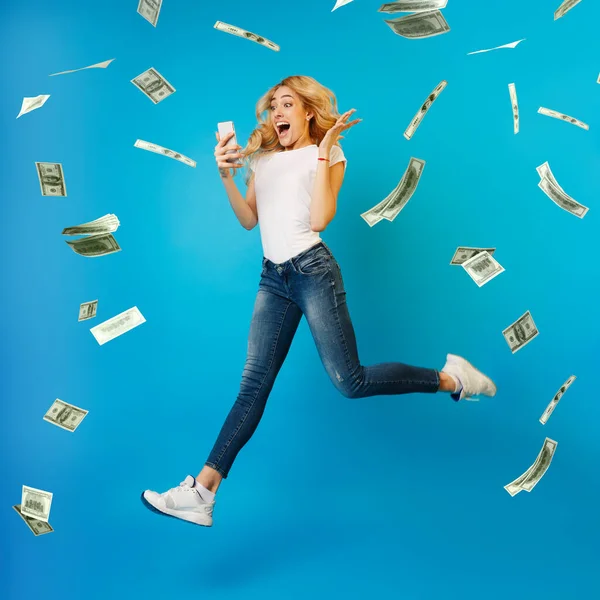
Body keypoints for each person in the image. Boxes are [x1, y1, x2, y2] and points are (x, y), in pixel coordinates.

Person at [141, 75, 497, 527]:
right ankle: (202, 491)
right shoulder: (264, 158)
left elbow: (320, 218)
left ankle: (452, 378)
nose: (278, 113)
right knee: (253, 385)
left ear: (307, 110)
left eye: (287, 104)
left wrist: (326, 148)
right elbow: (250, 219)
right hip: (273, 277)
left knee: (350, 381)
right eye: (273, 106)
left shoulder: (326, 153)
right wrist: (226, 177)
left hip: (313, 272)